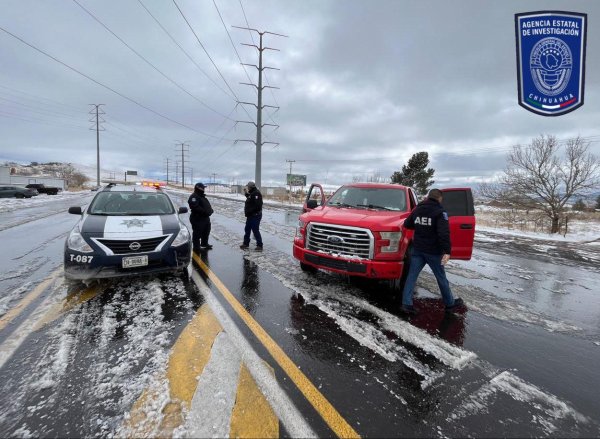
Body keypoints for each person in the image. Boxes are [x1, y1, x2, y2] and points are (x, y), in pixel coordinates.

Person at [401, 188, 464, 315]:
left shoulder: (418, 209)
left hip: (418, 250)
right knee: (441, 278)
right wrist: (447, 251)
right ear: (439, 198)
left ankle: (406, 304)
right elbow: (443, 233)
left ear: (428, 197)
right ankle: (450, 304)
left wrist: (420, 226)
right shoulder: (440, 212)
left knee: (411, 277)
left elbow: (407, 224)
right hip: (434, 252)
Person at [188, 182, 214, 252]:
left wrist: (210, 210)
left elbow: (207, 205)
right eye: (202, 188)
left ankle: (204, 244)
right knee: (197, 233)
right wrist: (205, 212)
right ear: (198, 188)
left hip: (205, 218)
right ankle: (196, 247)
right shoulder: (194, 196)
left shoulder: (202, 196)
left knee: (206, 231)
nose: (203, 189)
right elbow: (195, 206)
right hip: (197, 218)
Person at [240, 181, 263, 251]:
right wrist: (246, 193)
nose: (247, 188)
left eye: (248, 187)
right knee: (247, 229)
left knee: (255, 230)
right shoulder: (252, 193)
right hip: (250, 216)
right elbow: (250, 198)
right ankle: (246, 243)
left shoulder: (256, 193)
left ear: (251, 187)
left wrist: (250, 211)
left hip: (255, 216)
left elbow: (258, 205)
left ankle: (259, 245)